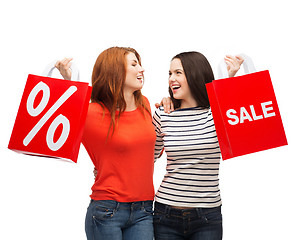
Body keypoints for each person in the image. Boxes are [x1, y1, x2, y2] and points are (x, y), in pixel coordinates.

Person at [55, 47, 156, 240]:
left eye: (140, 63)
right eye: (134, 64)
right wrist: (69, 81)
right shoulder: (90, 112)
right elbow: (56, 120)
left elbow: (148, 152)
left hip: (144, 210)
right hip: (107, 210)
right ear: (114, 71)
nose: (141, 69)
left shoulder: (145, 104)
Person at [152, 52, 243, 240]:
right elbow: (146, 157)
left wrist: (229, 77)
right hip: (165, 214)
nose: (171, 79)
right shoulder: (164, 113)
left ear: (194, 75)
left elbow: (246, 119)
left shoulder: (217, 114)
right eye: (169, 73)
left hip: (207, 215)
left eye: (178, 72)